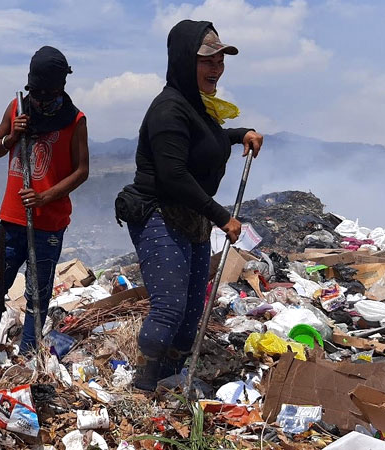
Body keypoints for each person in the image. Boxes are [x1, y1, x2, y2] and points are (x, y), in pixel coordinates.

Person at [114, 20, 264, 391]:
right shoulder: (168, 109)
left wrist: (238, 134)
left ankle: (170, 377)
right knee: (169, 307)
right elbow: (173, 176)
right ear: (183, 60)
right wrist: (222, 217)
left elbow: (206, 140)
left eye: (220, 61)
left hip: (192, 218)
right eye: (207, 60)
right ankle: (143, 385)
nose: (217, 68)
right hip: (159, 215)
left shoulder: (196, 106)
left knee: (192, 309)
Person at [0, 46, 89, 354]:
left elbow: (82, 171)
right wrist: (11, 137)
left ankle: (28, 358)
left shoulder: (75, 120)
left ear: (61, 88)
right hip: (11, 220)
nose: (41, 101)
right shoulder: (17, 109)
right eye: (36, 94)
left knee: (36, 297)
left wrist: (45, 197)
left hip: (48, 225)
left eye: (48, 95)